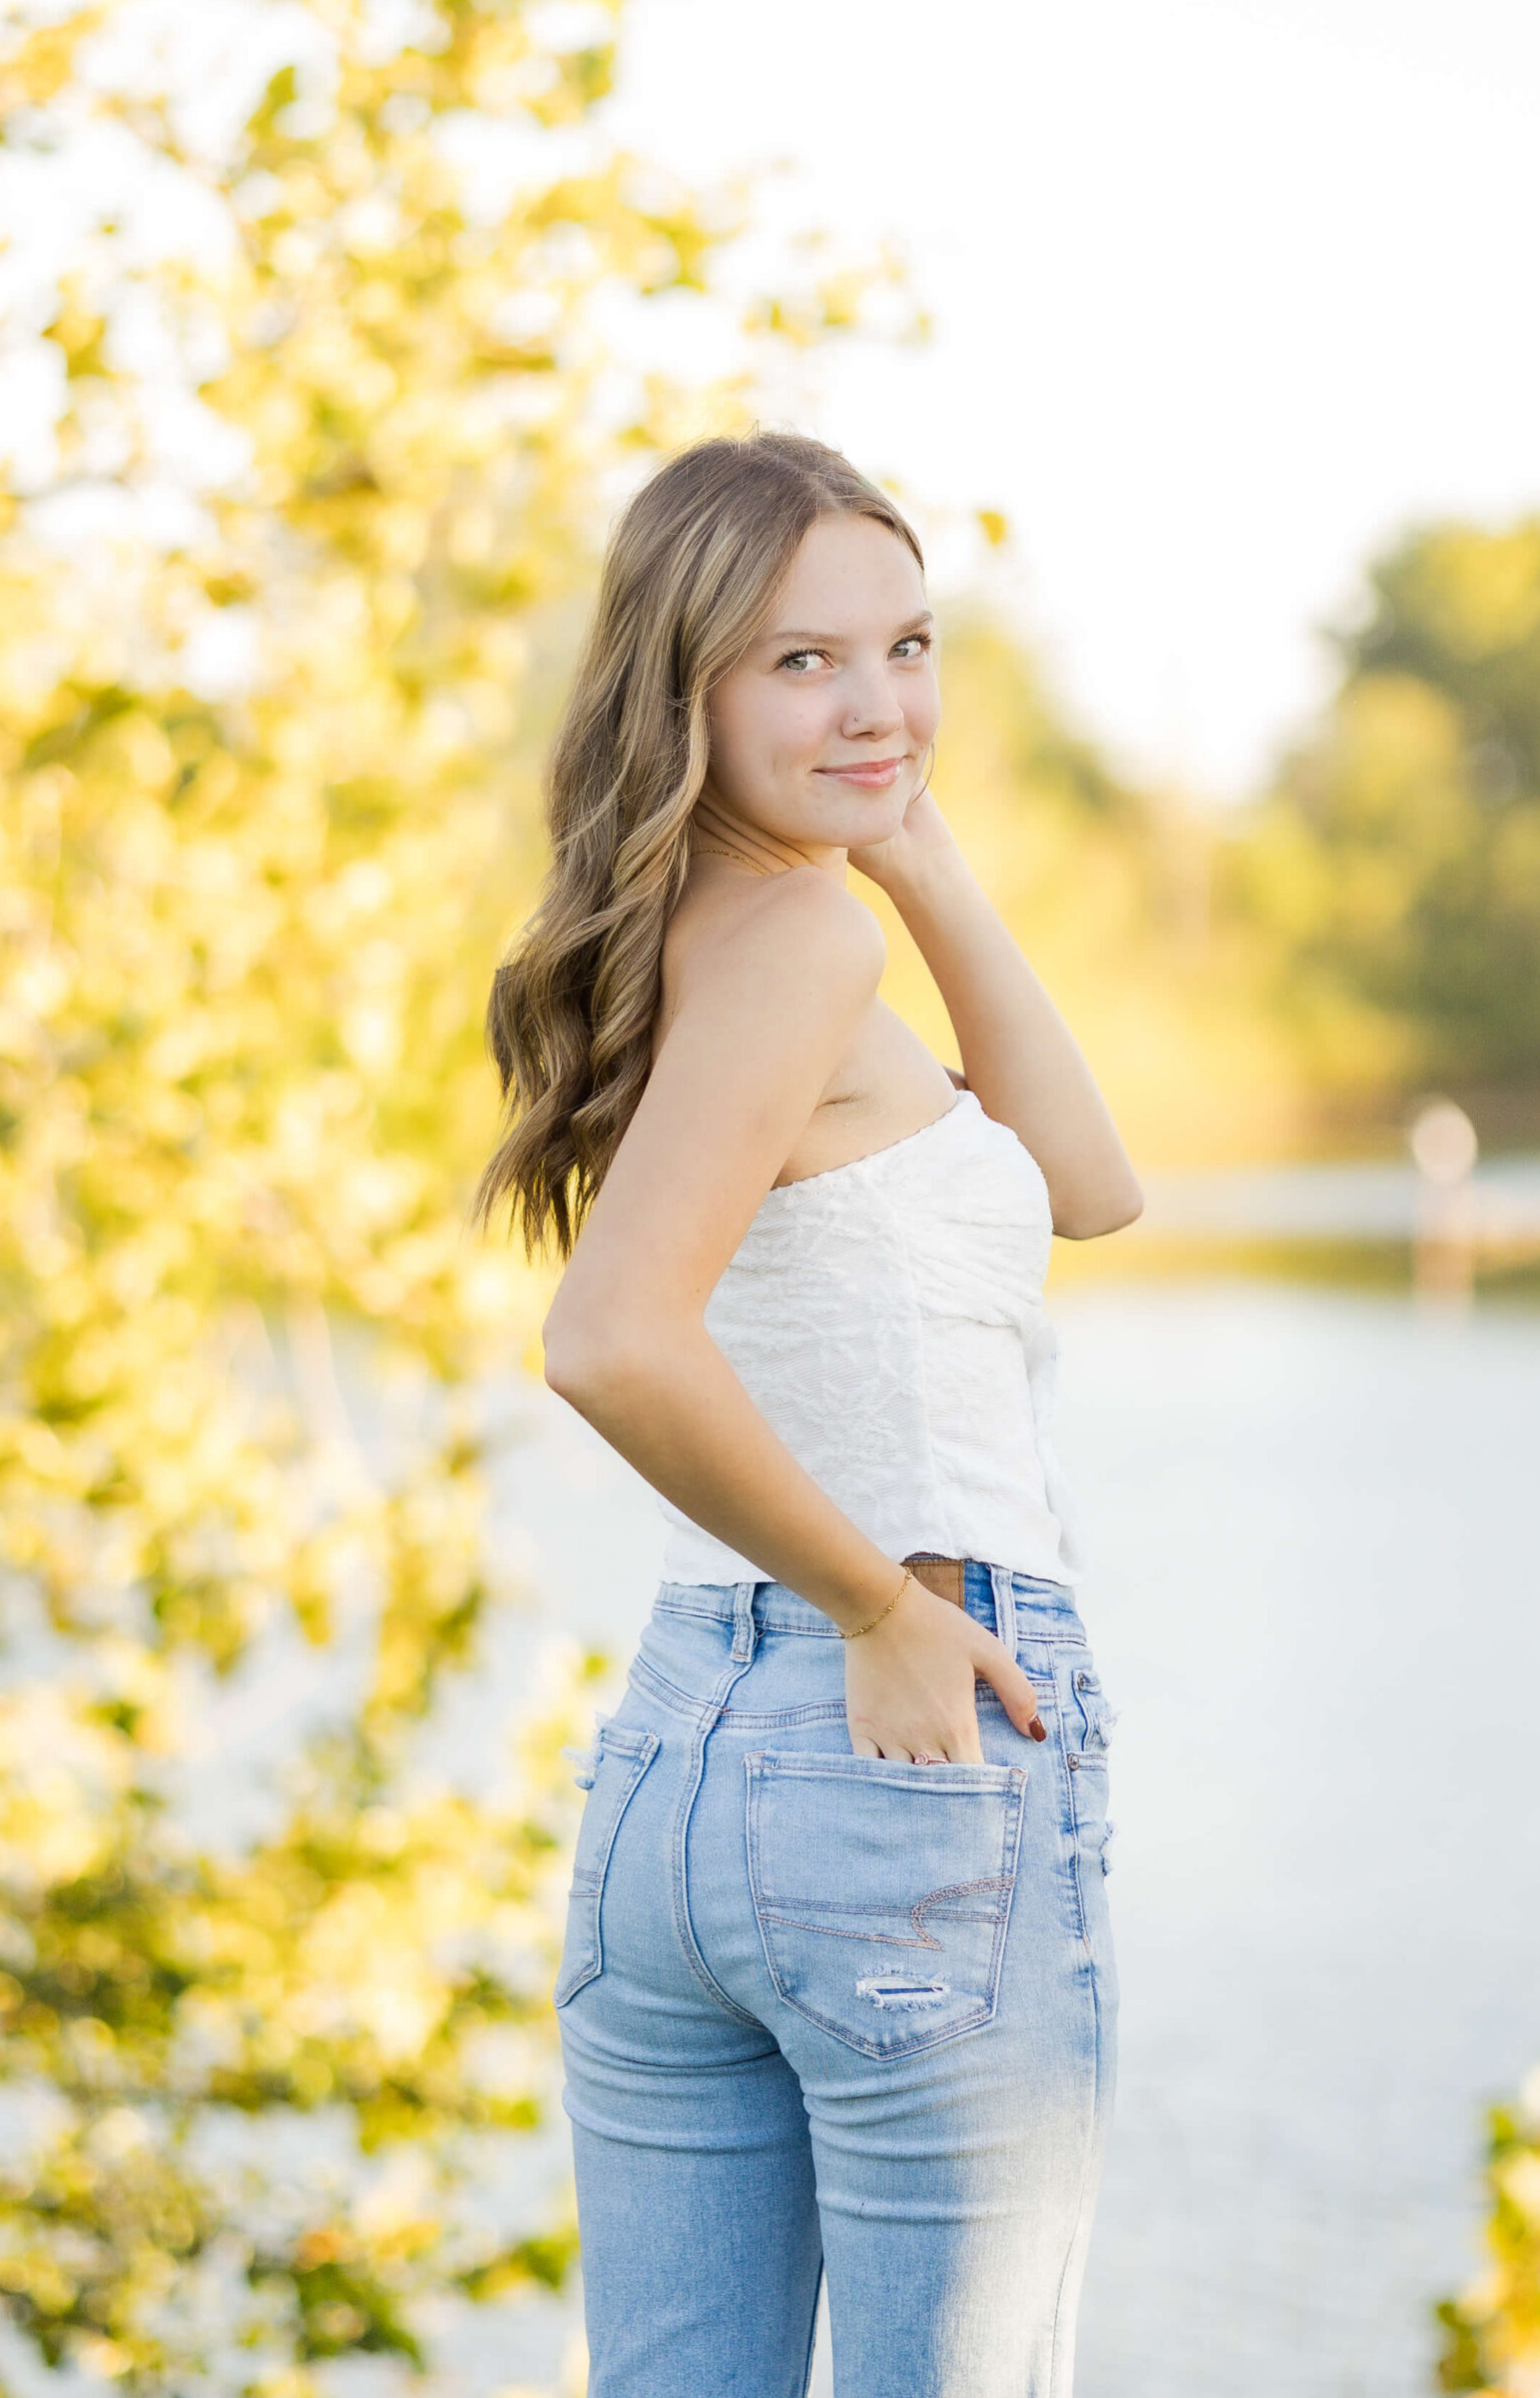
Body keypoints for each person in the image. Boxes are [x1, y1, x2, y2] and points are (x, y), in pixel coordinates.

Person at [475, 432, 1143, 2398]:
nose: (878, 701)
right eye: (801, 663)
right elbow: (608, 1335)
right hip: (896, 1745)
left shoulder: (707, 926)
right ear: (681, 682)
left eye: (908, 645)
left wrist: (916, 851)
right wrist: (878, 1604)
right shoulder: (794, 941)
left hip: (685, 1760)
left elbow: (1088, 1180)